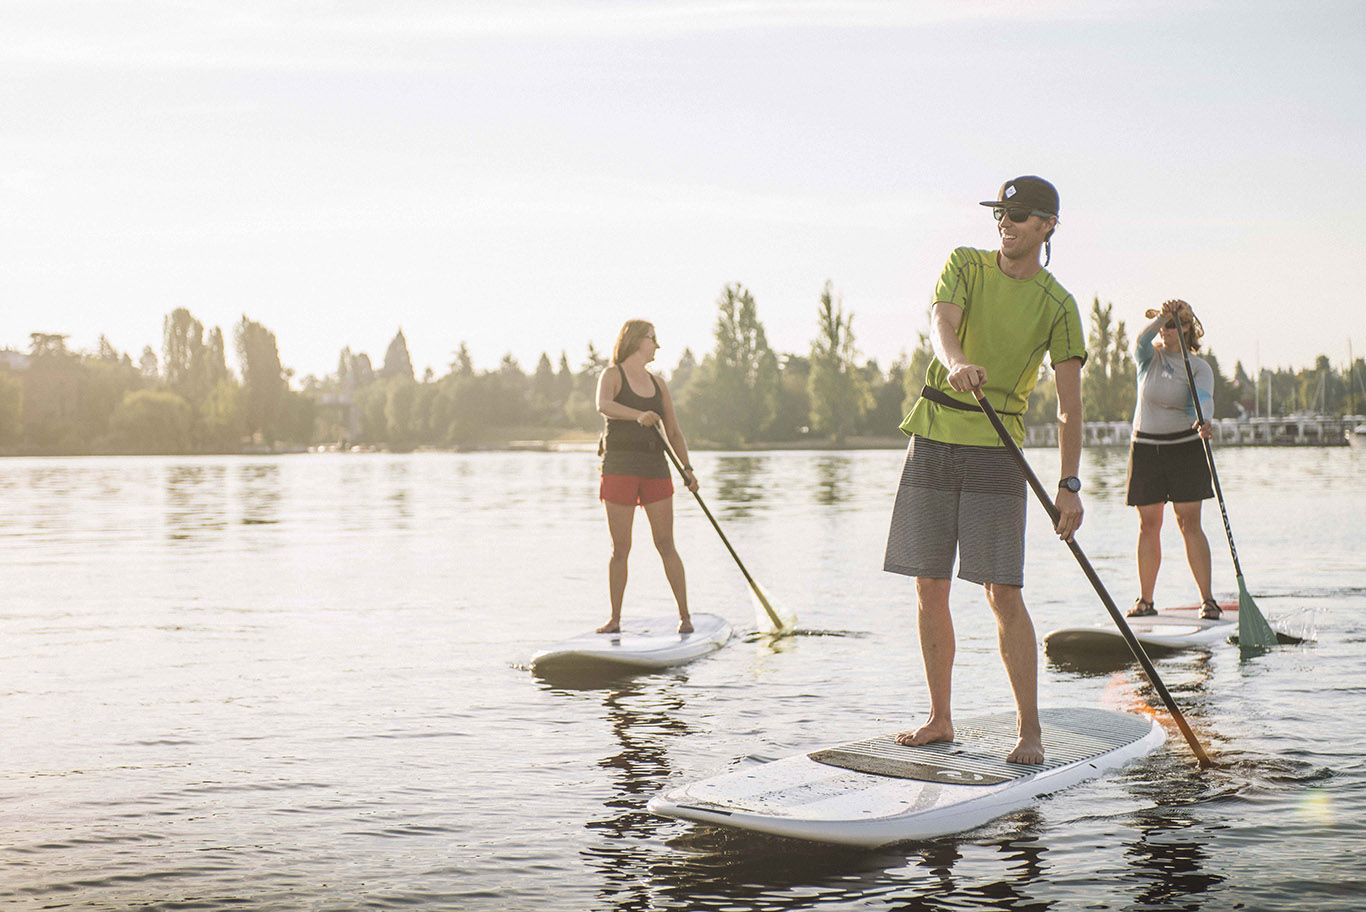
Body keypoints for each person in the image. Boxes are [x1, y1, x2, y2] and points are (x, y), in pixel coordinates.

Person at [884, 176, 1087, 765]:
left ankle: (1030, 732)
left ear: (1047, 225)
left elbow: (1070, 407)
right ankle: (939, 720)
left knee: (1002, 591)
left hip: (998, 450)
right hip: (932, 436)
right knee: (929, 583)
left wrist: (1069, 484)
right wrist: (958, 362)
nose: (1007, 221)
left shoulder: (1058, 305)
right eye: (1002, 211)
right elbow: (942, 324)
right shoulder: (965, 266)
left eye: (1020, 214)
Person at [595, 320, 699, 635]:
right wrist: (637, 415)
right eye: (654, 339)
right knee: (621, 548)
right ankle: (615, 620)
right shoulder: (612, 375)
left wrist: (688, 469)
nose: (657, 345)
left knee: (666, 543)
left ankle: (685, 617)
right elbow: (604, 406)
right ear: (637, 340)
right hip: (619, 467)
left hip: (655, 469)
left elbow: (674, 431)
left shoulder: (659, 384)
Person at [1125, 299, 1219, 620]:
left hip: (1185, 448)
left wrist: (1205, 421)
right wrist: (1162, 316)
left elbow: (1200, 405)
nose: (1167, 330)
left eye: (1175, 324)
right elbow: (1139, 340)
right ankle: (1146, 601)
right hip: (1147, 448)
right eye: (1164, 325)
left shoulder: (1198, 368)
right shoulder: (1148, 357)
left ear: (1190, 329)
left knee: (1188, 523)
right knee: (1148, 524)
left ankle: (1207, 600)